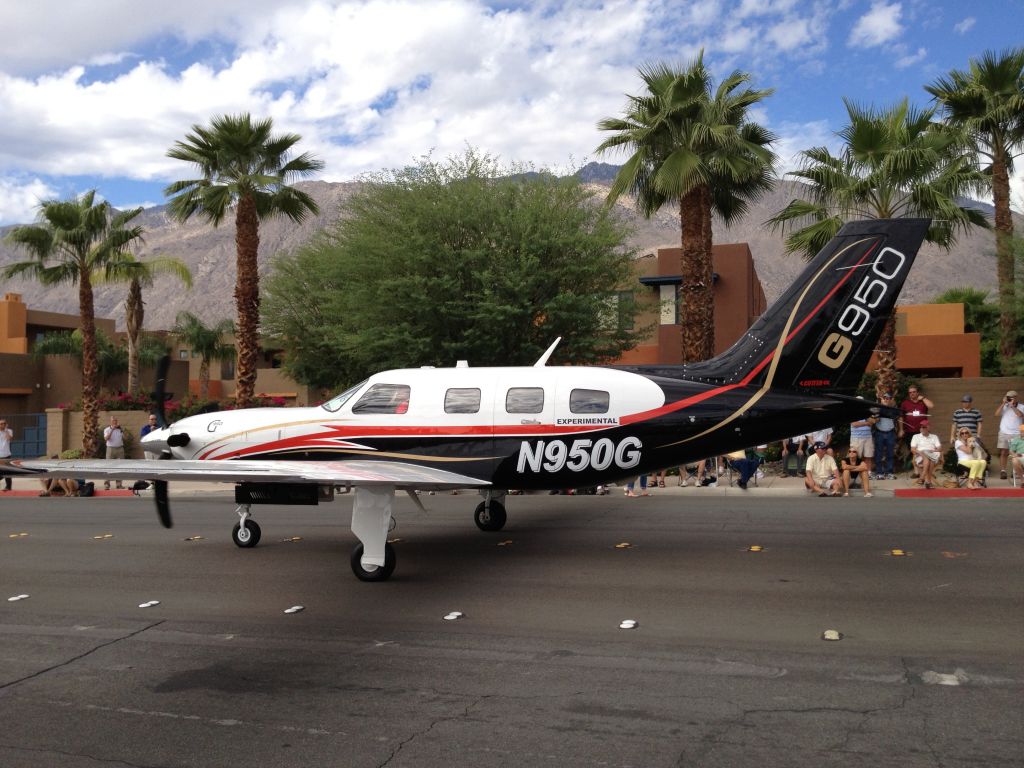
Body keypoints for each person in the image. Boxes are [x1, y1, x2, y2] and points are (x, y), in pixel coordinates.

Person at [899, 385, 933, 475]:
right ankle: (916, 471)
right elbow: (901, 417)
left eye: (914, 392)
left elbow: (931, 406)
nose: (912, 394)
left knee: (923, 449)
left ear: (917, 392)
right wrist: (901, 429)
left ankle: (924, 470)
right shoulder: (905, 403)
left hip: (922, 431)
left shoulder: (923, 402)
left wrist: (923, 398)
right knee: (914, 451)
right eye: (910, 392)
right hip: (909, 431)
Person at [994, 390, 1023, 480]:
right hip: (1004, 432)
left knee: (1017, 454)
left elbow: (1020, 415)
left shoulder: (1021, 406)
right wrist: (1003, 404)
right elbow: (996, 414)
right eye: (1008, 397)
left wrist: (1012, 406)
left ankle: (1016, 472)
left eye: (1012, 397)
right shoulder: (1005, 406)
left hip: (1016, 433)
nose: (1010, 399)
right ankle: (1003, 471)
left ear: (1016, 398)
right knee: (1003, 452)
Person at [910, 419, 941, 489]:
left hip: (932, 454)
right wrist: (921, 452)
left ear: (928, 428)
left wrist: (932, 450)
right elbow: (912, 449)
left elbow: (939, 448)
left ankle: (923, 477)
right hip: (920, 456)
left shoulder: (934, 437)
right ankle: (928, 481)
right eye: (921, 427)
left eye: (924, 427)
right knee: (928, 458)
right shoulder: (916, 436)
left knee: (930, 457)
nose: (922, 429)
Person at [872, 393, 897, 480]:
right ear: (882, 399)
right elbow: (874, 417)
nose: (886, 399)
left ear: (891, 399)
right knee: (878, 453)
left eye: (888, 398)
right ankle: (879, 473)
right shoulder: (877, 408)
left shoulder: (893, 409)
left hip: (890, 433)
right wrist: (878, 401)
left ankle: (889, 472)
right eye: (885, 398)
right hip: (879, 433)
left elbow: (898, 417)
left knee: (890, 453)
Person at [848, 404, 876, 476]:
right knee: (854, 456)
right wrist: (866, 423)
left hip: (868, 437)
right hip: (856, 438)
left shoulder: (867, 413)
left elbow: (873, 421)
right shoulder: (852, 412)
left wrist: (866, 421)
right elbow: (854, 424)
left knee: (868, 455)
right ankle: (854, 473)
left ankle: (868, 472)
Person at [103, 416, 125, 490]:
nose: (115, 422)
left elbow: (125, 438)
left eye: (116, 420)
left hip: (120, 449)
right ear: (110, 422)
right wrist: (112, 430)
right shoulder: (107, 429)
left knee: (120, 467)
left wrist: (121, 430)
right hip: (110, 449)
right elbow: (106, 438)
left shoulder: (120, 430)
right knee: (108, 467)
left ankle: (119, 484)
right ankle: (107, 484)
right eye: (113, 421)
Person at [0, 417, 12, 491]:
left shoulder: (9, 431)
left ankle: (8, 487)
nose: (2, 425)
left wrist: (6, 429)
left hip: (7, 455)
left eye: (4, 423)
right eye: (1, 424)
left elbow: (9, 438)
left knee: (8, 471)